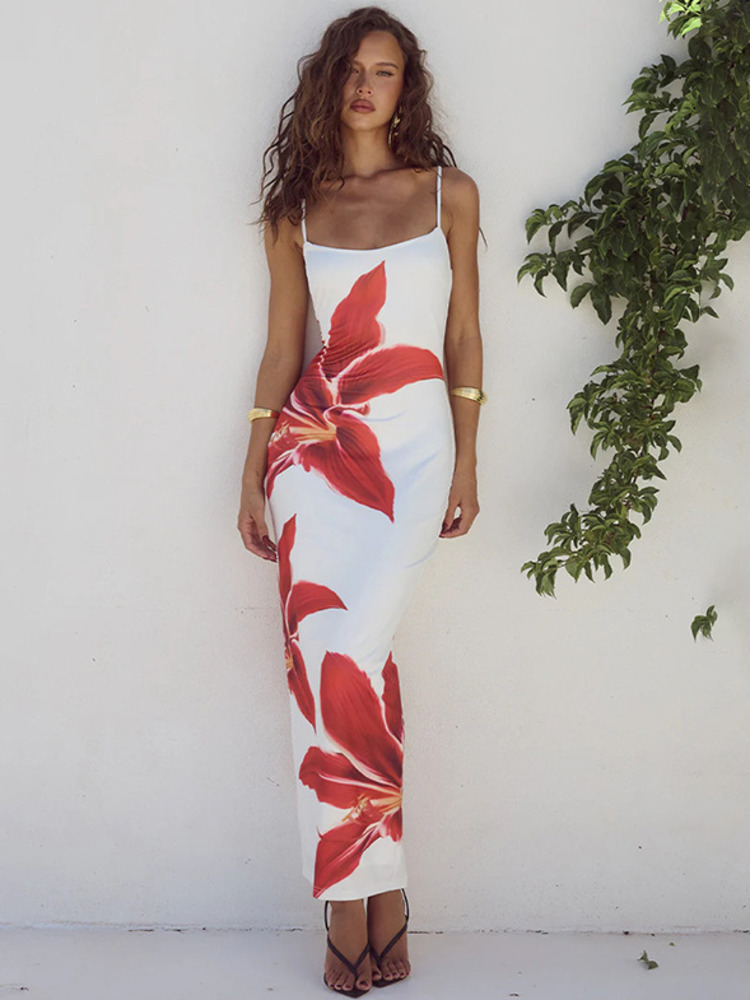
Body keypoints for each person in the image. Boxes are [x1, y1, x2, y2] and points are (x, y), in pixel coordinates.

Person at [238, 6, 484, 994]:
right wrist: (251, 468)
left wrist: (468, 459)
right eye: (351, 69)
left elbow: (463, 335)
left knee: (356, 656)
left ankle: (362, 893)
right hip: (314, 453)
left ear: (405, 87)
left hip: (415, 456)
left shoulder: (448, 193)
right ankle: (366, 899)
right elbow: (282, 345)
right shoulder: (297, 209)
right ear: (328, 82)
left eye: (384, 71)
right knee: (332, 671)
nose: (365, 87)